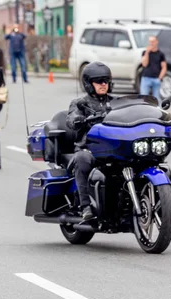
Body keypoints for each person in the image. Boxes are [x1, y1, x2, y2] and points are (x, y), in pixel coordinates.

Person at [66, 62, 114, 221]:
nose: (103, 84)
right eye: (99, 81)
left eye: (105, 81)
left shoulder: (116, 102)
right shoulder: (80, 103)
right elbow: (71, 118)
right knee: (82, 159)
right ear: (88, 83)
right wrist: (77, 120)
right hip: (89, 149)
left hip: (113, 149)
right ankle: (86, 206)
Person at [140, 36, 167, 104]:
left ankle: (158, 111)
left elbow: (164, 67)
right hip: (146, 78)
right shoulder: (145, 52)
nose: (151, 43)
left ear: (156, 42)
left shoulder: (160, 54)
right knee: (144, 97)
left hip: (156, 78)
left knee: (157, 98)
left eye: (153, 41)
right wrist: (147, 53)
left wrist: (160, 78)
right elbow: (144, 64)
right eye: (150, 42)